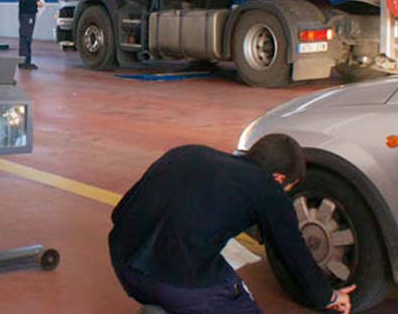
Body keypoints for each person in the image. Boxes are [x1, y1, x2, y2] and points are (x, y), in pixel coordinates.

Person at [109, 135, 356, 314]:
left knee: (206, 267)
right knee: (238, 301)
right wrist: (328, 296)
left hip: (122, 263)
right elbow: (293, 254)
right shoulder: (268, 189)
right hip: (173, 285)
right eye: (288, 186)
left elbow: (120, 213)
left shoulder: (186, 153)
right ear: (279, 178)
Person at [16, 0, 62, 70]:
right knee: (25, 37)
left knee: (28, 38)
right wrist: (35, 2)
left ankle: (27, 61)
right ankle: (23, 62)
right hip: (25, 13)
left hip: (32, 12)